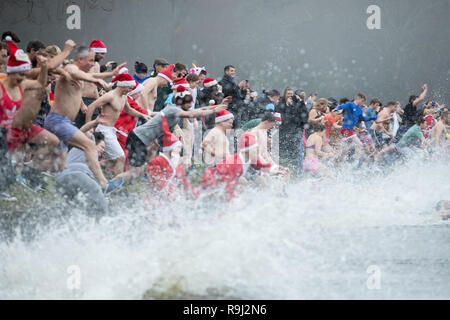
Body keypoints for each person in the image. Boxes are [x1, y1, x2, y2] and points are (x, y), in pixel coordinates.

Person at [43, 46, 120, 193]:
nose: (92, 64)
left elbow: (91, 76)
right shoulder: (71, 68)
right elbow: (76, 73)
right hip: (58, 121)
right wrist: (98, 81)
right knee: (90, 146)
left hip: (62, 121)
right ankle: (104, 184)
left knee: (59, 164)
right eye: (90, 60)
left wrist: (110, 74)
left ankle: (26, 168)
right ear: (80, 59)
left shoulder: (81, 74)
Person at [114, 86, 230, 182]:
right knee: (136, 171)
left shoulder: (177, 108)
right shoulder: (173, 109)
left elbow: (202, 109)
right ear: (182, 101)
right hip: (139, 139)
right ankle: (111, 184)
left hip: (140, 138)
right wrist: (215, 111)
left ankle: (123, 181)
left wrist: (219, 106)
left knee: (141, 165)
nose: (191, 105)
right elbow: (192, 114)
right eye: (189, 102)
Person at [85, 73, 149, 175]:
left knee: (113, 160)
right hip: (104, 129)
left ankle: (88, 168)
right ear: (123, 85)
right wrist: (88, 127)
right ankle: (117, 186)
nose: (130, 90)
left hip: (111, 130)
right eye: (129, 87)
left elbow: (129, 110)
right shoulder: (110, 96)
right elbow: (91, 107)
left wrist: (142, 115)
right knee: (121, 157)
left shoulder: (124, 97)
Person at [55, 123, 109, 219]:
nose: (103, 151)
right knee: (102, 206)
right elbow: (83, 130)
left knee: (77, 209)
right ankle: (103, 229)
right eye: (102, 147)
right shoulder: (89, 143)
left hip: (60, 180)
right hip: (77, 175)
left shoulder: (80, 150)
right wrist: (95, 121)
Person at [200, 131, 273, 202]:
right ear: (247, 150)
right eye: (255, 148)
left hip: (221, 178)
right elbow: (228, 186)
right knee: (220, 199)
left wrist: (270, 168)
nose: (258, 150)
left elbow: (258, 165)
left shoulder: (249, 157)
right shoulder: (237, 164)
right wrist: (234, 199)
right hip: (210, 181)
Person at [147, 115, 198, 202]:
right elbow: (160, 186)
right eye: (178, 149)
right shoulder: (156, 162)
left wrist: (197, 196)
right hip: (156, 202)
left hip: (173, 199)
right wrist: (176, 198)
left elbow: (184, 184)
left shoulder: (177, 165)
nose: (180, 152)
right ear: (170, 149)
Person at [75, 39, 125, 128]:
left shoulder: (97, 65)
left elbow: (95, 87)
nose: (103, 56)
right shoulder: (83, 66)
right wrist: (82, 104)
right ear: (95, 52)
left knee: (94, 130)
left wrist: (99, 102)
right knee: (81, 130)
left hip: (93, 101)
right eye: (102, 54)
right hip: (83, 100)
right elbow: (76, 87)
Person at [277, 87, 308, 173]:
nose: (290, 96)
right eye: (288, 94)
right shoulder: (280, 103)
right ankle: (284, 171)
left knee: (296, 154)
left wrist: (301, 102)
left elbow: (305, 116)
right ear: (284, 94)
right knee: (284, 154)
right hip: (284, 133)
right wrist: (287, 106)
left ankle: (296, 172)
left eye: (292, 94)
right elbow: (284, 118)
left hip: (296, 132)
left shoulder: (297, 103)